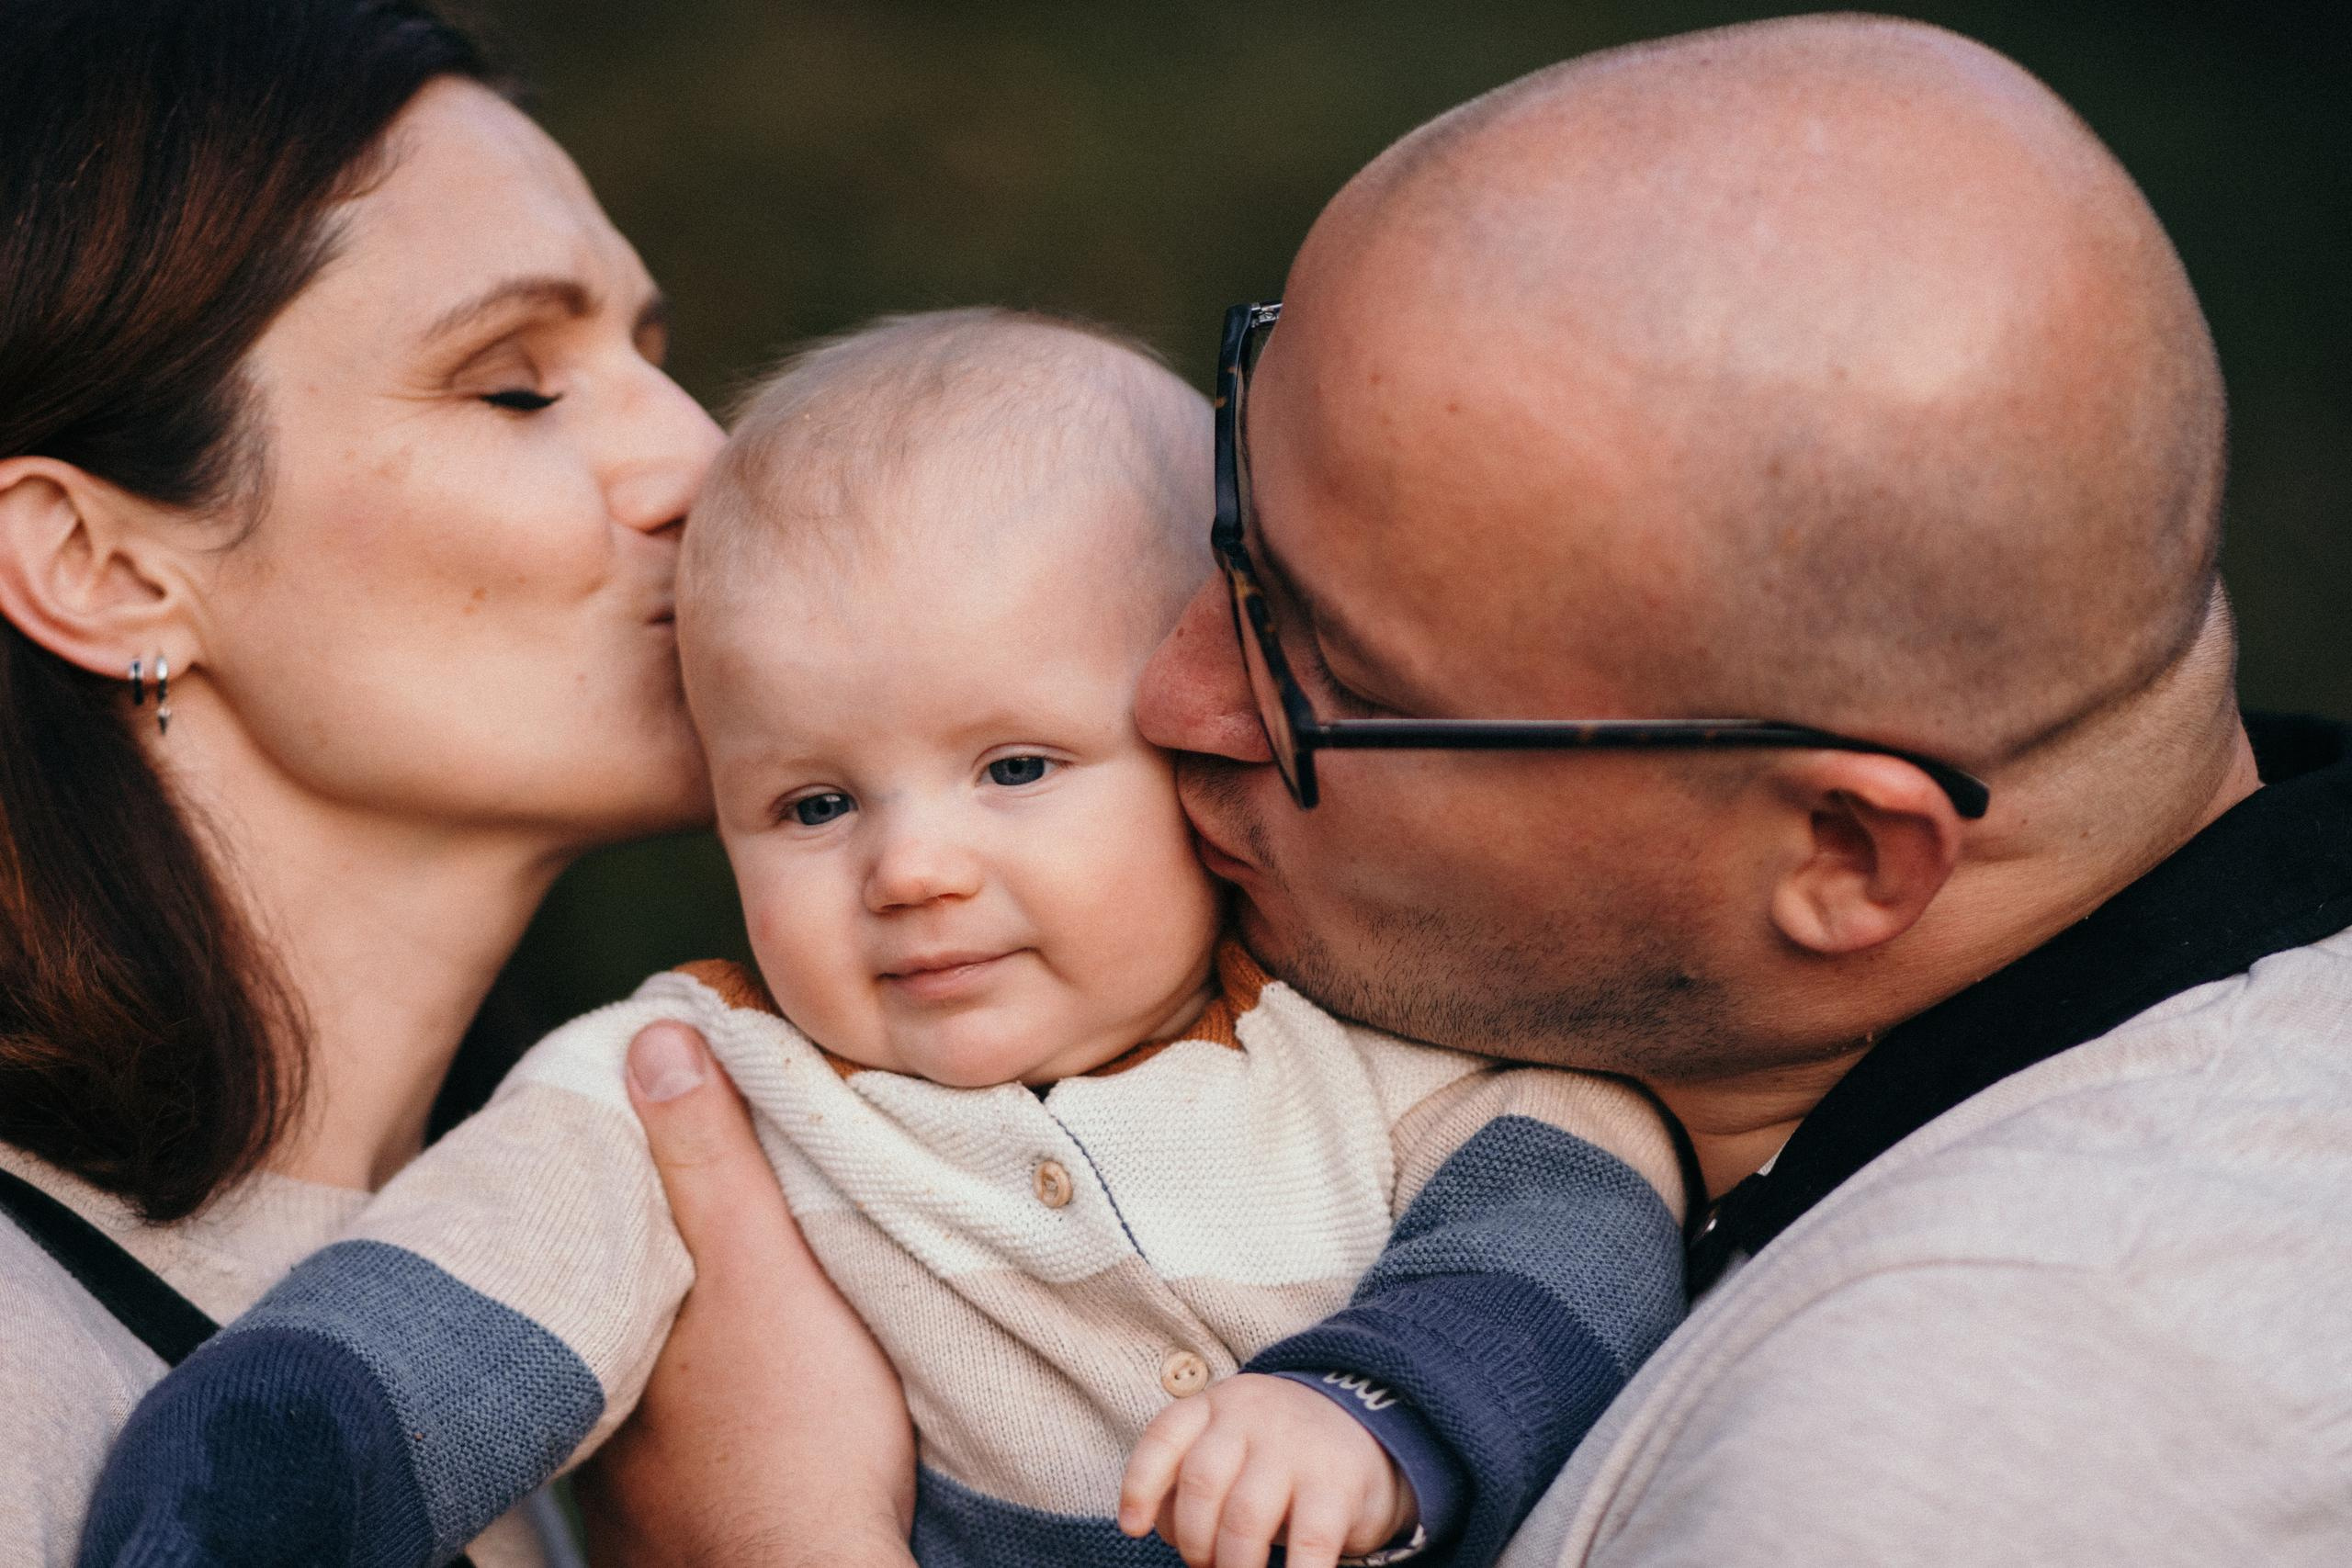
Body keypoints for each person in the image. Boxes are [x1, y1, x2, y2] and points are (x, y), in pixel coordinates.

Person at [594, 14, 2352, 1566]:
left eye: (1335, 676)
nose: (1172, 695)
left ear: (1837, 852)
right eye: (1233, 529)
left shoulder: (1938, 1456)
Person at [79, 310, 1694, 1568]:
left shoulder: (1359, 1026)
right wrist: (253, 1500)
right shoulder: (694, 1082)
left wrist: (1375, 1409)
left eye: (1017, 769)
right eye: (813, 805)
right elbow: (437, 1323)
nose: (911, 869)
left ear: (1200, 734)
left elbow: (1581, 1208)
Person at [0, 4, 897, 1563]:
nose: (705, 463)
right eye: (515, 387)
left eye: (653, 360)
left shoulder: (558, 1333)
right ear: (102, 568)